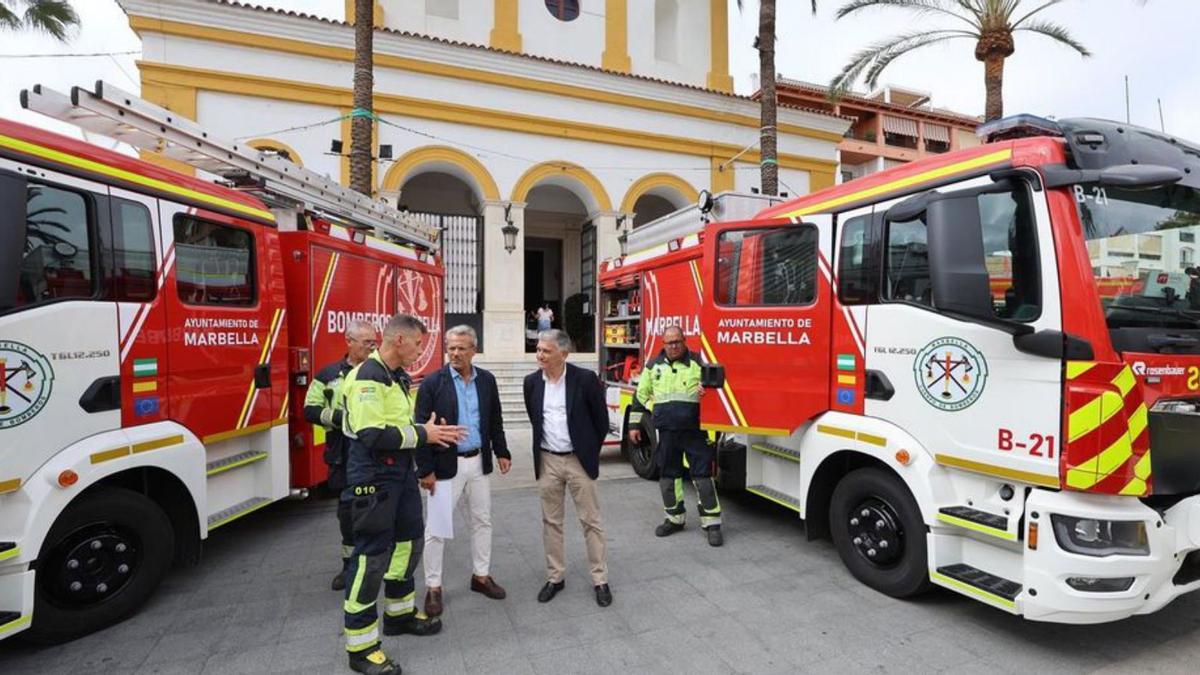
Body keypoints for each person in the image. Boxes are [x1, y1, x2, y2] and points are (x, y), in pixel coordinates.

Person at [340, 313, 466, 675]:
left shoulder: (396, 377)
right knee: (371, 558)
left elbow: (399, 426)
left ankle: (399, 615)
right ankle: (361, 648)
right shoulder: (368, 377)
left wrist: (425, 433)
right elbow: (372, 435)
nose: (421, 351)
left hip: (399, 474)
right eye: (417, 344)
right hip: (373, 476)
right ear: (399, 341)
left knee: (409, 544)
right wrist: (424, 435)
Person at [415, 325, 511, 618]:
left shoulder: (487, 380)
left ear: (474, 350)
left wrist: (502, 451)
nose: (455, 353)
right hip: (445, 467)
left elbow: (494, 418)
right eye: (451, 347)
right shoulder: (433, 383)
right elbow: (421, 428)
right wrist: (426, 470)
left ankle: (480, 576)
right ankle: (433, 586)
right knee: (437, 529)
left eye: (461, 348)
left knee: (482, 521)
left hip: (478, 464)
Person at [522, 329, 612, 607]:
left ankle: (600, 579)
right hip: (548, 460)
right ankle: (555, 577)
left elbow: (601, 421)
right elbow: (535, 419)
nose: (540, 355)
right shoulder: (531, 383)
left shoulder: (584, 380)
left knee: (591, 521)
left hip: (578, 461)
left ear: (563, 354)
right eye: (538, 350)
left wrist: (588, 453)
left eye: (546, 351)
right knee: (551, 522)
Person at [629, 326, 723, 546]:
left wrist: (706, 390)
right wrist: (634, 425)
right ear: (663, 343)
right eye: (669, 343)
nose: (674, 346)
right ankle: (674, 519)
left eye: (677, 342)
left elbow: (719, 388)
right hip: (667, 432)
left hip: (694, 431)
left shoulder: (699, 363)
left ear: (684, 340)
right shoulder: (653, 366)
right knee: (669, 477)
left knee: (702, 476)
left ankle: (712, 524)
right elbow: (640, 396)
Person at [303, 320, 378, 591]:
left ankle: (377, 561)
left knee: (377, 509)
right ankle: (350, 566)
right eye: (366, 342)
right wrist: (343, 418)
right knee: (347, 513)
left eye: (374, 342)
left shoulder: (381, 372)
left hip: (374, 456)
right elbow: (309, 410)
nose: (372, 347)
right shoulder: (328, 375)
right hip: (342, 455)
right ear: (349, 341)